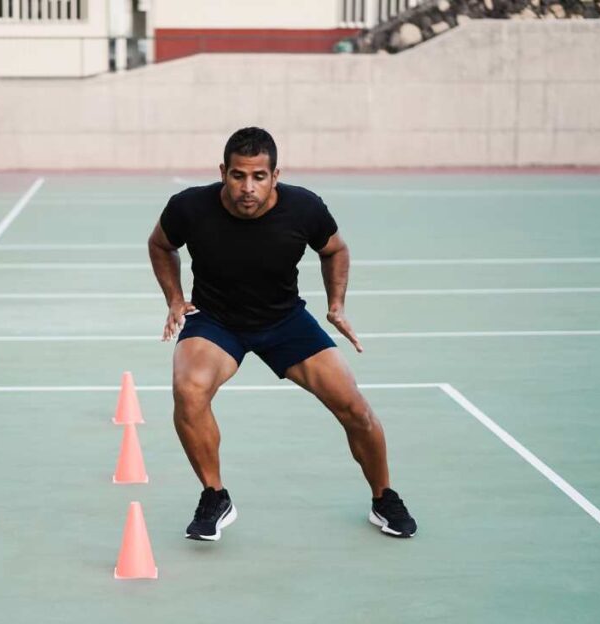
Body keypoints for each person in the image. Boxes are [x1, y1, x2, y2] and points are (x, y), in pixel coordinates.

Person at [147, 127, 417, 542]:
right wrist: (174, 298)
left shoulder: (304, 208)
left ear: (276, 175)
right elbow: (161, 244)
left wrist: (336, 305)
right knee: (188, 389)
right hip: (216, 321)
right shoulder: (190, 208)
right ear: (223, 172)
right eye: (238, 175)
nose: (247, 188)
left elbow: (335, 250)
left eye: (258, 176)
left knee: (355, 408)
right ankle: (215, 496)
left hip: (284, 320)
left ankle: (384, 498)